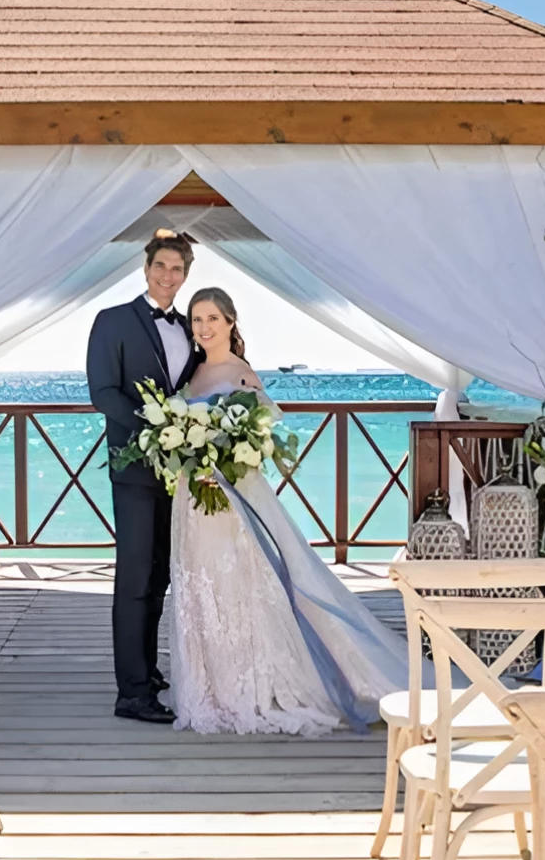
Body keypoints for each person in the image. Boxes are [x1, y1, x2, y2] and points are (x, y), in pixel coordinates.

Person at [165, 287, 404, 735]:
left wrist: (225, 461)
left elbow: (263, 436)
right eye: (197, 319)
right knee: (204, 585)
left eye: (212, 318)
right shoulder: (192, 374)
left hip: (233, 500)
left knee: (240, 584)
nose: (204, 327)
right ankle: (210, 682)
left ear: (231, 322)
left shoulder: (240, 372)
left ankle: (253, 684)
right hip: (194, 500)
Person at [87, 230, 201, 723]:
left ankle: (148, 669)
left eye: (177, 269)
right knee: (134, 577)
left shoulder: (190, 329)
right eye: (161, 266)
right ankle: (131, 692)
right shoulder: (111, 321)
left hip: (179, 474)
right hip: (135, 466)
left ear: (186, 275)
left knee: (160, 574)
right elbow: (104, 393)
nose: (168, 276)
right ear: (146, 267)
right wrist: (157, 428)